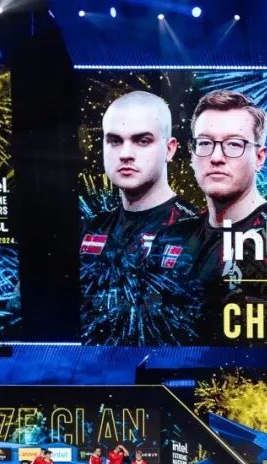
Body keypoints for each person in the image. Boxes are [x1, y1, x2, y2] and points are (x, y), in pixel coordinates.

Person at [145, 90, 267, 344]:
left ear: (259, 157)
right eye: (205, 143)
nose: (216, 157)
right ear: (192, 154)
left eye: (234, 144)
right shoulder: (170, 238)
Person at [79, 91, 198, 345]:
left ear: (169, 149)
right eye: (114, 141)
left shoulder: (196, 231)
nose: (125, 154)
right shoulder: (88, 230)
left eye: (142, 141)